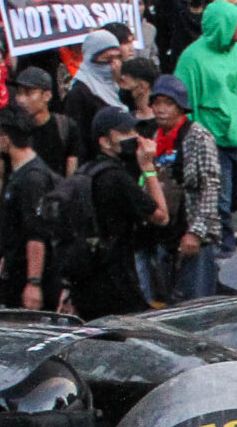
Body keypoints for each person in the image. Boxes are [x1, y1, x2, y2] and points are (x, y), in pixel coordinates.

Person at [64, 105, 168, 316]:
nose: (134, 137)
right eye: (124, 133)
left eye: (134, 131)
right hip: (117, 283)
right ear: (104, 141)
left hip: (85, 281)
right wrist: (148, 168)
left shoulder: (85, 172)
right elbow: (161, 216)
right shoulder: (116, 178)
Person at [175, 0, 237, 242]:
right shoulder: (192, 59)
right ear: (222, 24)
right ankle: (224, 247)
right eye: (236, 22)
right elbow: (184, 102)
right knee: (220, 199)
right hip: (214, 143)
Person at [145, 72, 225, 297]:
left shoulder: (198, 136)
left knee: (196, 303)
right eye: (157, 103)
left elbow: (211, 187)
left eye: (168, 103)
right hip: (165, 236)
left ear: (181, 107)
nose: (160, 109)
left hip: (193, 234)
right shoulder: (154, 137)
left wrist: (197, 233)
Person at [0, 106, 59, 312]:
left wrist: (33, 283)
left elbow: (36, 235)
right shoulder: (21, 172)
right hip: (17, 266)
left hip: (30, 275)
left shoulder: (32, 179)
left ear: (6, 138)